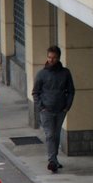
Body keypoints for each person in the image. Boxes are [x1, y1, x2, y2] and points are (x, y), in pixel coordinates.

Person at [32, 45, 75, 173]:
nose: (51, 60)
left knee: (56, 135)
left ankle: (54, 160)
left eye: (54, 58)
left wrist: (67, 106)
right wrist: (41, 107)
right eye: (49, 57)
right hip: (46, 110)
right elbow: (35, 92)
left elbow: (71, 91)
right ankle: (52, 161)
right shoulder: (42, 74)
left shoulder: (65, 73)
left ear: (58, 58)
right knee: (50, 135)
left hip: (61, 110)